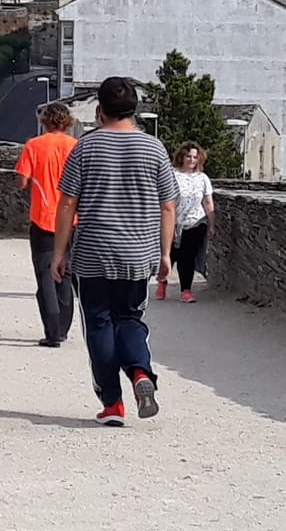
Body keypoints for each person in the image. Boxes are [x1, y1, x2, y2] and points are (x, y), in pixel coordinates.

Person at [51, 78, 176, 426]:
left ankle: (112, 404)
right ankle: (140, 372)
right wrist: (166, 254)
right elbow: (168, 206)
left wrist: (58, 253)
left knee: (99, 324)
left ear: (99, 111)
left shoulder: (85, 148)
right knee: (131, 319)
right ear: (134, 110)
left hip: (93, 252)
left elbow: (67, 203)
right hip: (137, 253)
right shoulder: (154, 149)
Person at [14, 103, 78, 347]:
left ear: (45, 121)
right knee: (66, 274)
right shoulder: (75, 147)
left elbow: (22, 181)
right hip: (72, 218)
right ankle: (63, 328)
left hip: (43, 217)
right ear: (67, 122)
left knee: (45, 275)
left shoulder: (34, 145)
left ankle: (52, 333)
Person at [164, 143, 216, 302]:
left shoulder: (202, 178)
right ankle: (162, 281)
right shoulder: (172, 175)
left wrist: (212, 224)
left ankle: (186, 290)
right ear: (181, 157)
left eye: (195, 157)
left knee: (188, 256)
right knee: (171, 255)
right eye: (188, 156)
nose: (191, 160)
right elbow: (165, 200)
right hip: (173, 221)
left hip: (196, 222)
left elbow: (208, 202)